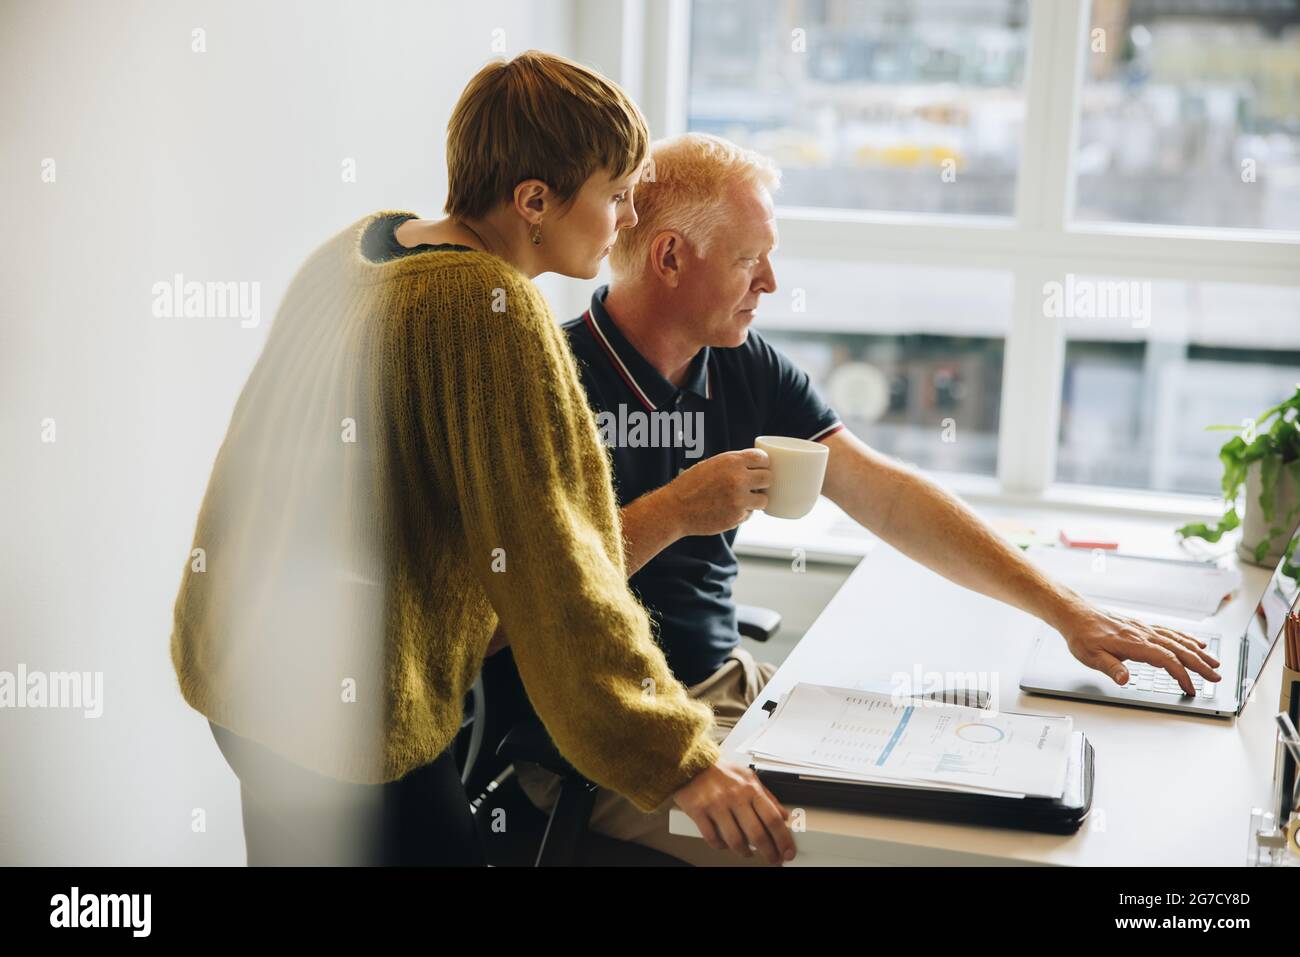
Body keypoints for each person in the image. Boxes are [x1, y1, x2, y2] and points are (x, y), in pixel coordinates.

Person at [512, 132, 1222, 866]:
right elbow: (528, 596)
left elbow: (886, 496)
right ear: (669, 257)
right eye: (749, 259)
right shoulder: (551, 380)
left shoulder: (740, 362)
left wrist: (1064, 608)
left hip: (724, 686)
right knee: (842, 849)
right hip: (595, 737)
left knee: (947, 774)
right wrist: (677, 510)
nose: (772, 284)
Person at [171, 55, 796, 867]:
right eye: (615, 194)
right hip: (354, 716)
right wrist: (680, 760)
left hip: (247, 675)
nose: (628, 217)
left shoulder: (358, 252)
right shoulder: (490, 313)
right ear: (534, 200)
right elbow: (558, 571)